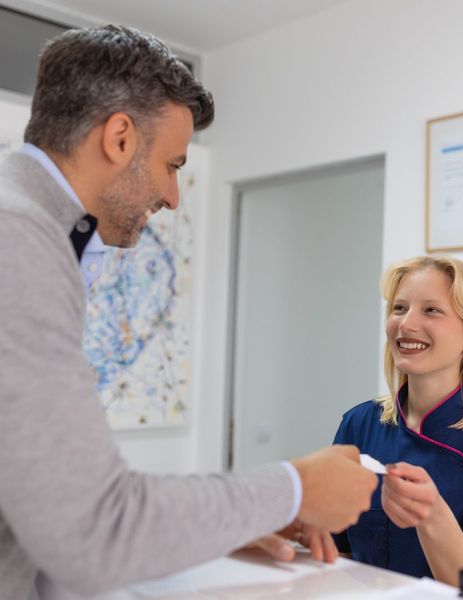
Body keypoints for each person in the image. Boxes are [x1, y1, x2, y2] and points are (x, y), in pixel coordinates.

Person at [0, 25, 377, 599]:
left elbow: (46, 501)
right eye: (173, 166)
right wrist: (295, 489)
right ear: (120, 138)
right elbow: (93, 531)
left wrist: (211, 527)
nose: (173, 197)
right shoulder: (20, 238)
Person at [332, 255, 463, 586]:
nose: (406, 324)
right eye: (399, 308)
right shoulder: (359, 424)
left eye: (431, 310)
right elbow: (335, 552)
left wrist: (432, 516)